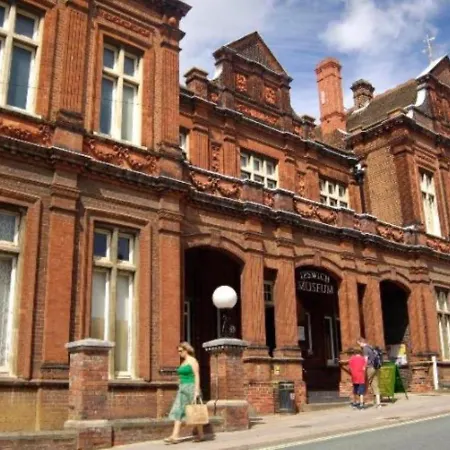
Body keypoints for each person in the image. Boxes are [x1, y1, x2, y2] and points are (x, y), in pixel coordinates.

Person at [164, 342, 205, 444]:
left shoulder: (193, 361)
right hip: (182, 388)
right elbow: (181, 375)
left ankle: (201, 434)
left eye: (181, 351)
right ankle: (174, 436)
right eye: (178, 351)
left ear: (186, 350)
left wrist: (196, 391)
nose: (179, 353)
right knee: (178, 410)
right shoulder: (184, 362)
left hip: (191, 388)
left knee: (195, 410)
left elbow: (196, 375)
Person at [357, 337, 381, 408]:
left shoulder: (365, 349)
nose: (359, 346)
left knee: (364, 383)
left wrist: (363, 367)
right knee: (375, 385)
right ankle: (378, 403)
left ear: (361, 342)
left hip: (369, 368)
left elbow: (365, 359)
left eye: (359, 344)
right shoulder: (370, 347)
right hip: (375, 368)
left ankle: (361, 403)